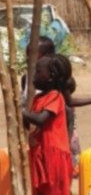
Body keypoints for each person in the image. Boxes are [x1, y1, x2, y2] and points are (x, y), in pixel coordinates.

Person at [22, 54, 72, 195]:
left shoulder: (55, 96)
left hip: (53, 154)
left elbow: (41, 119)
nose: (34, 76)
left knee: (53, 191)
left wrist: (22, 113)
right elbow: (30, 123)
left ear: (51, 77)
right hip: (40, 152)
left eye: (38, 72)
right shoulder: (38, 98)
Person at [21, 36, 56, 105]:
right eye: (27, 54)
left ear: (47, 57)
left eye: (31, 54)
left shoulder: (56, 80)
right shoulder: (25, 78)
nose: (28, 58)